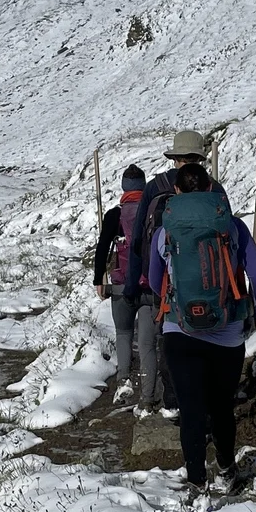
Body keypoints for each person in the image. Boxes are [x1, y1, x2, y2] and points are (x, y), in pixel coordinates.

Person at [147, 162, 256, 496]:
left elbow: (155, 281)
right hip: (227, 333)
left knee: (191, 409)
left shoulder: (164, 231)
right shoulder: (232, 226)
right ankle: (226, 471)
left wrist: (177, 302)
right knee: (221, 407)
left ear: (176, 191)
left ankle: (197, 482)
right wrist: (255, 312)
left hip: (179, 331)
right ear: (211, 188)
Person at [123, 130, 232, 419]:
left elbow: (137, 240)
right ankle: (206, 402)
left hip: (165, 284)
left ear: (175, 158)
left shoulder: (155, 187)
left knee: (170, 341)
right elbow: (229, 237)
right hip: (212, 283)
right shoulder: (215, 189)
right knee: (207, 338)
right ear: (200, 159)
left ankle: (173, 401)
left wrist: (134, 285)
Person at [93, 164, 160, 409]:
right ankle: (148, 399)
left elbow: (102, 248)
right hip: (150, 284)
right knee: (148, 344)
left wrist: (99, 280)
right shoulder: (154, 212)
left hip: (121, 285)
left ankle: (124, 380)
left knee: (123, 333)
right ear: (144, 186)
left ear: (124, 187)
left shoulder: (115, 215)